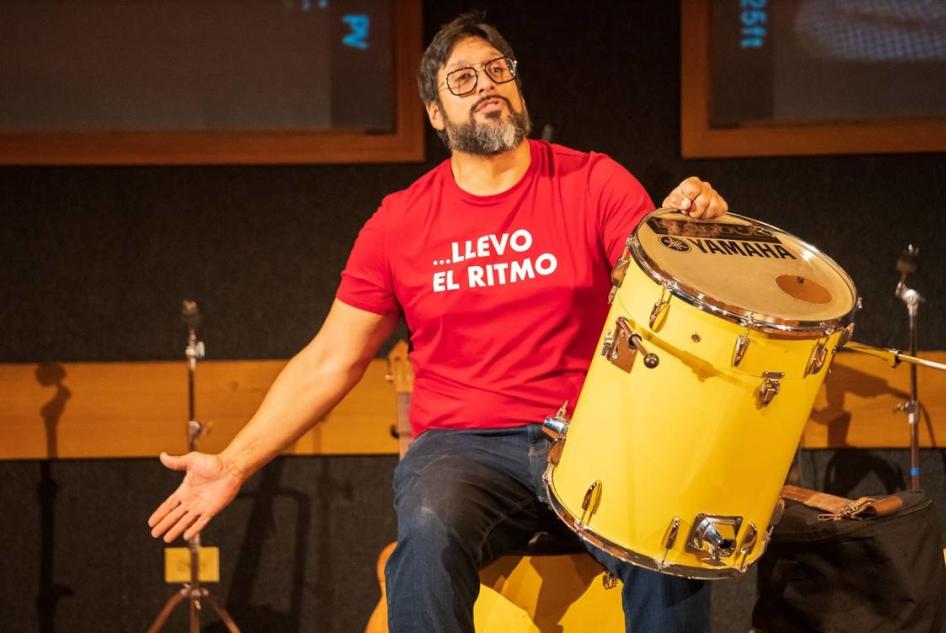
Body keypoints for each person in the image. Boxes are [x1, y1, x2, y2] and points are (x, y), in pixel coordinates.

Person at [148, 11, 728, 633]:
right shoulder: (400, 222)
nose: (486, 85)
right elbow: (330, 359)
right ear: (434, 113)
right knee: (427, 528)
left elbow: (657, 290)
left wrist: (684, 231)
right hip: (465, 448)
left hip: (591, 434)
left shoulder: (593, 181)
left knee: (670, 527)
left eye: (497, 70)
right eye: (462, 79)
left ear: (519, 88)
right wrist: (232, 463)